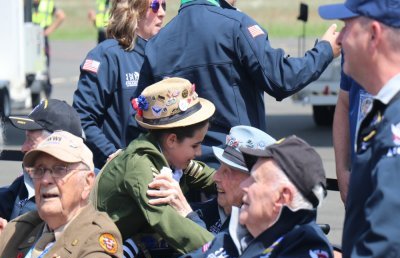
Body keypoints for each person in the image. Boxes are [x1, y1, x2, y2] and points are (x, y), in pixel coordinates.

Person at [136, 0, 341, 168]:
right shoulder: (236, 26)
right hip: (235, 166)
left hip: (181, 173)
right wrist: (324, 51)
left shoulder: (156, 44)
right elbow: (282, 79)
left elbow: (141, 114)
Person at [144, 136, 332, 258]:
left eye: (254, 180)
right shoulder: (236, 234)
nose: (244, 188)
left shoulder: (304, 249)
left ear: (283, 197)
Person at [319, 1, 400, 258]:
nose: (339, 39)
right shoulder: (384, 114)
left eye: (348, 27)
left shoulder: (395, 132)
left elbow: (387, 253)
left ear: (374, 35)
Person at [94, 77, 216, 258]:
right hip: (100, 249)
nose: (198, 153)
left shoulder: (169, 156)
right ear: (172, 140)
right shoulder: (140, 165)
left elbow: (214, 178)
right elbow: (168, 221)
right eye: (195, 145)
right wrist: (218, 251)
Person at [0, 130, 123, 258]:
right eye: (40, 170)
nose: (45, 180)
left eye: (59, 169)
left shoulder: (98, 235)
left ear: (87, 182)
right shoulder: (20, 228)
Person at [73, 0, 166, 168]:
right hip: (117, 173)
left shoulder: (163, 57)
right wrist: (113, 155)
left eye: (164, 6)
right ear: (133, 11)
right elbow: (82, 118)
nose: (161, 13)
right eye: (154, 5)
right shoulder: (108, 55)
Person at [150, 125, 276, 234]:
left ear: (253, 181)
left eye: (228, 172)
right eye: (220, 167)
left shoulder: (261, 227)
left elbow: (218, 256)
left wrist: (187, 213)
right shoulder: (219, 209)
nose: (216, 177)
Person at [0, 99, 83, 224]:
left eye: (31, 140)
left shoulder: (87, 194)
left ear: (58, 145)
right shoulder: (24, 182)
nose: (23, 148)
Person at [331, 58, 373, 203]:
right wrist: (342, 171)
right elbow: (344, 103)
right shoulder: (351, 43)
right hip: (361, 185)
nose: (341, 39)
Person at [32, 0, 66, 98]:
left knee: (44, 68)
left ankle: (47, 96)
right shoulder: (26, 3)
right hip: (29, 37)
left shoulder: (47, 4)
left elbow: (61, 16)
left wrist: (47, 31)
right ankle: (35, 97)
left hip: (41, 38)